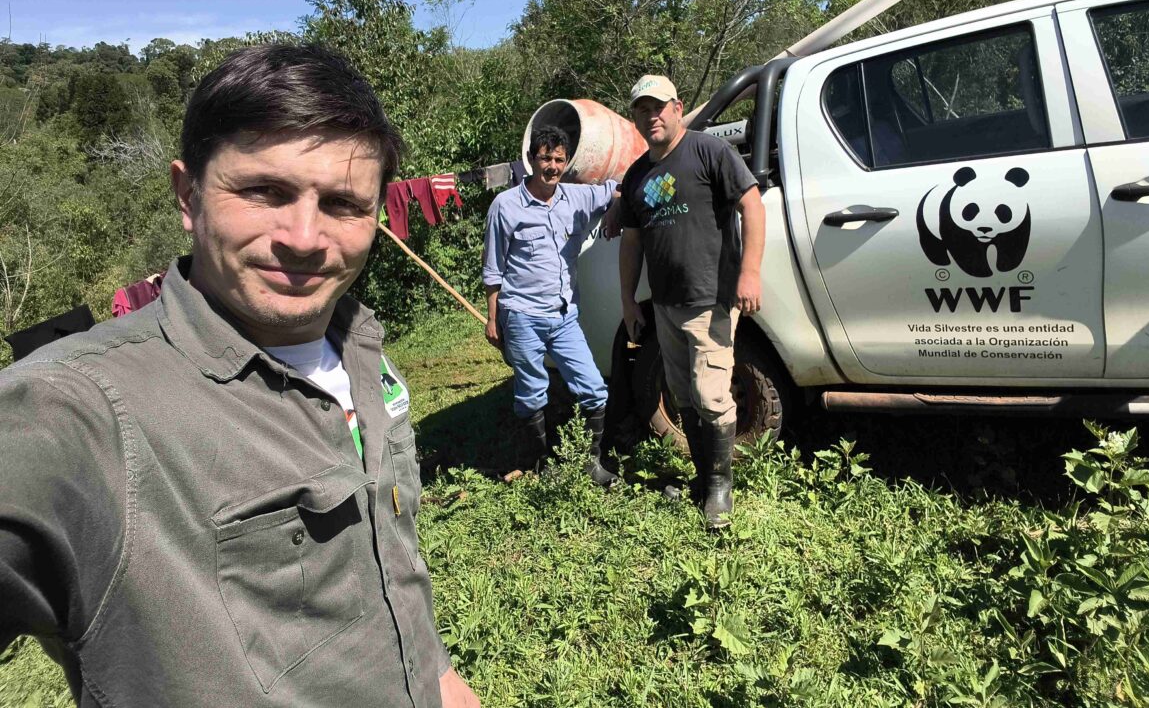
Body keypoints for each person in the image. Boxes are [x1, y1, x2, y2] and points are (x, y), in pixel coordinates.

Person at [0, 45, 479, 708]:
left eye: (343, 204)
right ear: (187, 195)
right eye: (264, 191)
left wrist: (444, 686)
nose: (305, 237)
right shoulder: (79, 409)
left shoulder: (364, 355)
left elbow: (393, 572)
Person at [618, 75, 764, 529]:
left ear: (678, 107)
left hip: (711, 299)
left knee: (710, 394)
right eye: (642, 109)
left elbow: (753, 205)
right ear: (636, 118)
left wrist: (751, 271)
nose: (652, 115)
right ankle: (703, 479)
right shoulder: (638, 173)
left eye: (659, 106)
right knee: (682, 395)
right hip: (665, 305)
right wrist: (628, 300)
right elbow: (632, 241)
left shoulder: (708, 151)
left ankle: (720, 488)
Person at [483, 125, 621, 486]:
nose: (553, 166)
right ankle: (541, 465)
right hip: (521, 315)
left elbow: (619, 189)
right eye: (546, 158)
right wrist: (492, 317)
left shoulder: (577, 198)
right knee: (531, 392)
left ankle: (592, 464)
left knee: (593, 388)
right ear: (531, 159)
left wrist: (615, 210)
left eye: (559, 159)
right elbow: (493, 269)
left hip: (563, 317)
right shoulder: (506, 206)